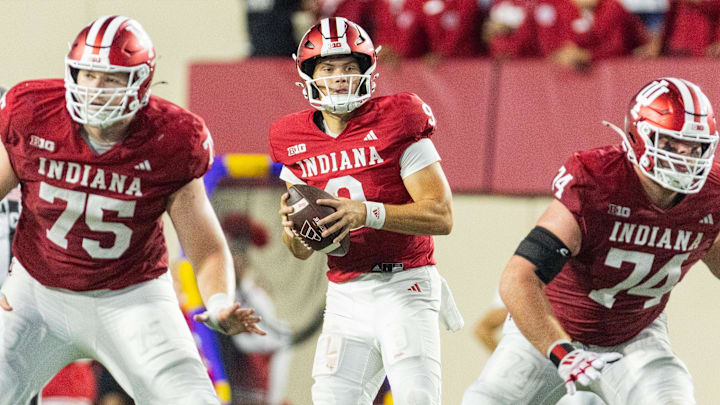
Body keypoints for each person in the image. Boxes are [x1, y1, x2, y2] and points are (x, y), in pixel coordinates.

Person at [0, 15, 265, 405]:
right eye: (87, 75)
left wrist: (220, 300)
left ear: (140, 82)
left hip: (131, 297)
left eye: (110, 79)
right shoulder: (34, 113)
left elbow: (205, 245)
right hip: (38, 293)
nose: (95, 89)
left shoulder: (171, 138)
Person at [462, 77, 720, 404]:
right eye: (671, 144)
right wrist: (561, 352)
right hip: (554, 330)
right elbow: (518, 278)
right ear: (637, 137)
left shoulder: (711, 196)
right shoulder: (598, 181)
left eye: (695, 146)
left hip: (634, 337)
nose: (685, 157)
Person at [269, 16, 461, 404]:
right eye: (328, 68)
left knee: (417, 398)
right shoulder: (292, 138)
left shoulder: (399, 119)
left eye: (349, 68)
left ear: (367, 72)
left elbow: (441, 216)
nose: (339, 77)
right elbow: (301, 249)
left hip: (405, 286)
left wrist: (367, 212)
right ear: (310, 74)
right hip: (345, 293)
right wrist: (294, 231)